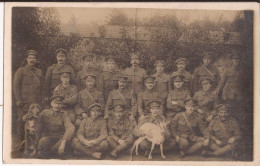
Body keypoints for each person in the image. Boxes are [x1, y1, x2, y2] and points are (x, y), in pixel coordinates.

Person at [13, 50, 43, 149]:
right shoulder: (21, 71)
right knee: (21, 121)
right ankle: (21, 142)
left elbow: (42, 87)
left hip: (36, 103)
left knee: (36, 123)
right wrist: (18, 99)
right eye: (30, 58)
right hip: (24, 102)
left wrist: (42, 100)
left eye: (34, 58)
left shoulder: (39, 71)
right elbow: (16, 86)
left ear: (36, 60)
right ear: (26, 59)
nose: (32, 60)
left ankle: (33, 144)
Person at [215, 52, 243, 119]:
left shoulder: (242, 71)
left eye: (237, 59)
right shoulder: (227, 70)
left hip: (239, 94)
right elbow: (222, 82)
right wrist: (217, 90)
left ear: (239, 60)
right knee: (229, 110)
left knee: (238, 110)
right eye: (234, 59)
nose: (236, 60)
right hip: (228, 93)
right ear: (231, 60)